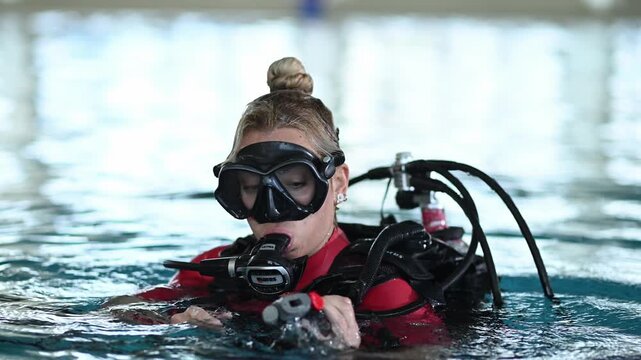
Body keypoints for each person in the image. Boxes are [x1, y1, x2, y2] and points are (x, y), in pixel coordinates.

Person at [105, 57, 464, 349]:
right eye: (250, 186)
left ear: (337, 182)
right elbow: (106, 316)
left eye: (295, 183)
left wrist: (348, 352)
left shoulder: (381, 288)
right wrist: (172, 326)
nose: (271, 208)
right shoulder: (215, 270)